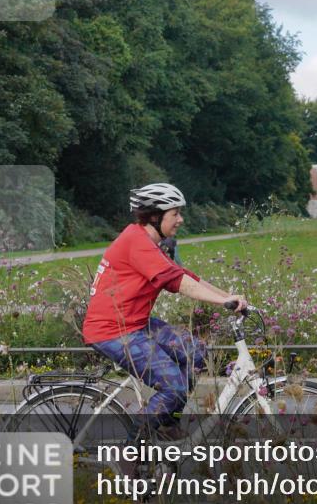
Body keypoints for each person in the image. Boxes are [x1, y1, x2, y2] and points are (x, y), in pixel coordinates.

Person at [82, 183, 247, 449]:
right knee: (174, 387)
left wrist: (228, 296)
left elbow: (186, 276)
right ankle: (131, 452)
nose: (180, 219)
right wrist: (224, 301)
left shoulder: (148, 242)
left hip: (134, 323)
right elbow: (179, 284)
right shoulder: (136, 242)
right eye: (176, 213)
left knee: (197, 353)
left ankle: (167, 423)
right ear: (155, 216)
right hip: (113, 330)